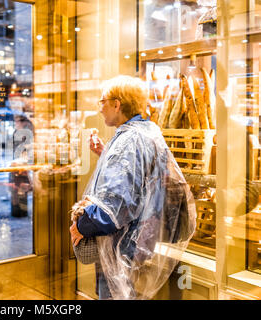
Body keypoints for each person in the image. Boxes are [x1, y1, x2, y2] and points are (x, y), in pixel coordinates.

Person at [69, 75, 196, 300]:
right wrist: (106, 153)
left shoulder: (128, 141)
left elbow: (115, 207)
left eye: (103, 102)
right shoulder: (147, 131)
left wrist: (82, 224)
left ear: (117, 104)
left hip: (121, 246)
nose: (100, 108)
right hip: (139, 241)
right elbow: (140, 177)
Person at [10, 115, 34, 217]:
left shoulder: (25, 133)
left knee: (21, 188)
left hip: (21, 164)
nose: (16, 123)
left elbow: (26, 149)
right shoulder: (17, 132)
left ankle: (20, 211)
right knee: (17, 188)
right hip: (16, 164)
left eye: (17, 121)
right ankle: (17, 210)